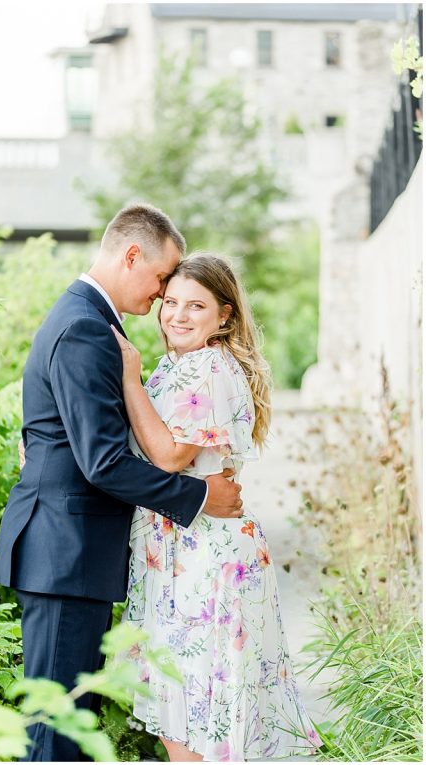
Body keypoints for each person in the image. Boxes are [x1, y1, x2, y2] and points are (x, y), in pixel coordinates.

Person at [0, 204, 244, 762]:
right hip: (64, 553)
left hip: (70, 553)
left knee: (69, 726)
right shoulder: (86, 326)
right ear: (132, 256)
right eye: (161, 279)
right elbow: (103, 462)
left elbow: (65, 434)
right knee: (55, 733)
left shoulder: (86, 318)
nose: (161, 296)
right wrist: (201, 497)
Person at [113, 253, 322, 761]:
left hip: (205, 554)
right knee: (182, 708)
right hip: (178, 547)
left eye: (196, 307)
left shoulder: (207, 368)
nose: (177, 316)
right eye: (172, 303)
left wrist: (129, 378)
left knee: (196, 710)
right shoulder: (178, 366)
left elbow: (169, 455)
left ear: (224, 316)